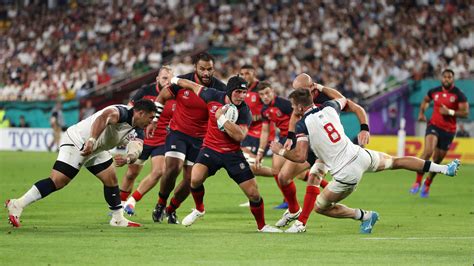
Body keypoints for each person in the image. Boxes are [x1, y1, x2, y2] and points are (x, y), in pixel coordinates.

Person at [270, 89, 460, 233]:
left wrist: (280, 151)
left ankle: (364, 216)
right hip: (360, 155)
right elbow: (347, 101)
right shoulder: (330, 106)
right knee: (397, 161)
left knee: (321, 207)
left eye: (294, 107)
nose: (293, 110)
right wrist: (322, 87)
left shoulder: (303, 123)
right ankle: (444, 168)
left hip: (346, 172)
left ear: (300, 107)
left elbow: (300, 157)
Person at [5, 99, 157, 228]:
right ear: (140, 113)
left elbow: (137, 147)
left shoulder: (138, 129)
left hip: (97, 149)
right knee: (58, 181)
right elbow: (102, 119)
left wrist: (128, 159)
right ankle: (17, 204)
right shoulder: (120, 112)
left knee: (111, 178)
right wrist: (91, 140)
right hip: (78, 141)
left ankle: (118, 218)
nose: (152, 122)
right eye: (150, 118)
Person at [170, 75, 281, 233]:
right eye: (238, 92)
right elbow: (192, 85)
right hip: (210, 149)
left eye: (244, 92)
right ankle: (199, 209)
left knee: (254, 194)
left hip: (232, 155)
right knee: (194, 179)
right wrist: (174, 80)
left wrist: (222, 119)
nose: (242, 96)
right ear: (229, 91)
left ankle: (262, 226)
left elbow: (240, 136)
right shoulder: (212, 95)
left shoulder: (245, 111)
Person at [272, 73, 369, 229]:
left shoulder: (326, 97)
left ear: (312, 87)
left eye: (301, 89)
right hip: (308, 143)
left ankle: (301, 223)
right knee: (283, 177)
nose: (298, 93)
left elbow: (351, 104)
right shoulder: (302, 100)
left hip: (327, 146)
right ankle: (294, 210)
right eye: (295, 90)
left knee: (313, 178)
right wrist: (290, 136)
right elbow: (294, 115)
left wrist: (364, 128)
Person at [151, 52, 226, 224]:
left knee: (192, 179)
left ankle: (172, 209)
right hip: (178, 133)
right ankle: (161, 204)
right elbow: (162, 96)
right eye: (202, 69)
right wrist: (155, 120)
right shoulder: (181, 81)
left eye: (210, 69)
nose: (206, 73)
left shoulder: (220, 89)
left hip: (201, 139)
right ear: (195, 68)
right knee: (173, 168)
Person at [119, 66, 175, 218]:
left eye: (170, 78)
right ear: (157, 79)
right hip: (141, 138)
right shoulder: (145, 92)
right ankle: (120, 207)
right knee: (131, 174)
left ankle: (132, 200)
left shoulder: (175, 95)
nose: (167, 81)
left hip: (162, 141)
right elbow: (130, 110)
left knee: (159, 171)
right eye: (164, 78)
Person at [410, 69, 469, 198]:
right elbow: (426, 101)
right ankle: (417, 182)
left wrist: (450, 112)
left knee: (437, 160)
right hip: (434, 126)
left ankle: (428, 183)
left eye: (449, 77)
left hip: (448, 131)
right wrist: (421, 113)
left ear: (453, 79)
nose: (447, 79)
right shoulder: (434, 91)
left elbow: (465, 112)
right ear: (442, 78)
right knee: (428, 152)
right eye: (445, 77)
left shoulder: (459, 94)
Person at [239, 65, 274, 179]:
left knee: (253, 168)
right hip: (248, 132)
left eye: (247, 73)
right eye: (242, 74)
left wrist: (257, 117)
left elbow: (272, 107)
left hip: (261, 133)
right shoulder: (243, 89)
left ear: (254, 73)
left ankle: (281, 174)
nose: (244, 76)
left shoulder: (261, 88)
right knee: (242, 164)